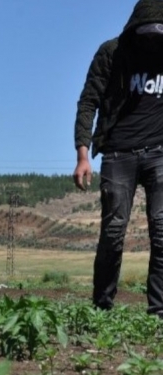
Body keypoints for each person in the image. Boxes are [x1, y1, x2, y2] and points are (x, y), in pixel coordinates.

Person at [74, 0, 163, 316]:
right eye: (146, 33)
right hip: (117, 152)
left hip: (159, 153)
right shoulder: (111, 53)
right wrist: (83, 154)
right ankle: (101, 307)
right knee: (113, 232)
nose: (152, 40)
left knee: (162, 229)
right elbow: (88, 102)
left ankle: (158, 311)